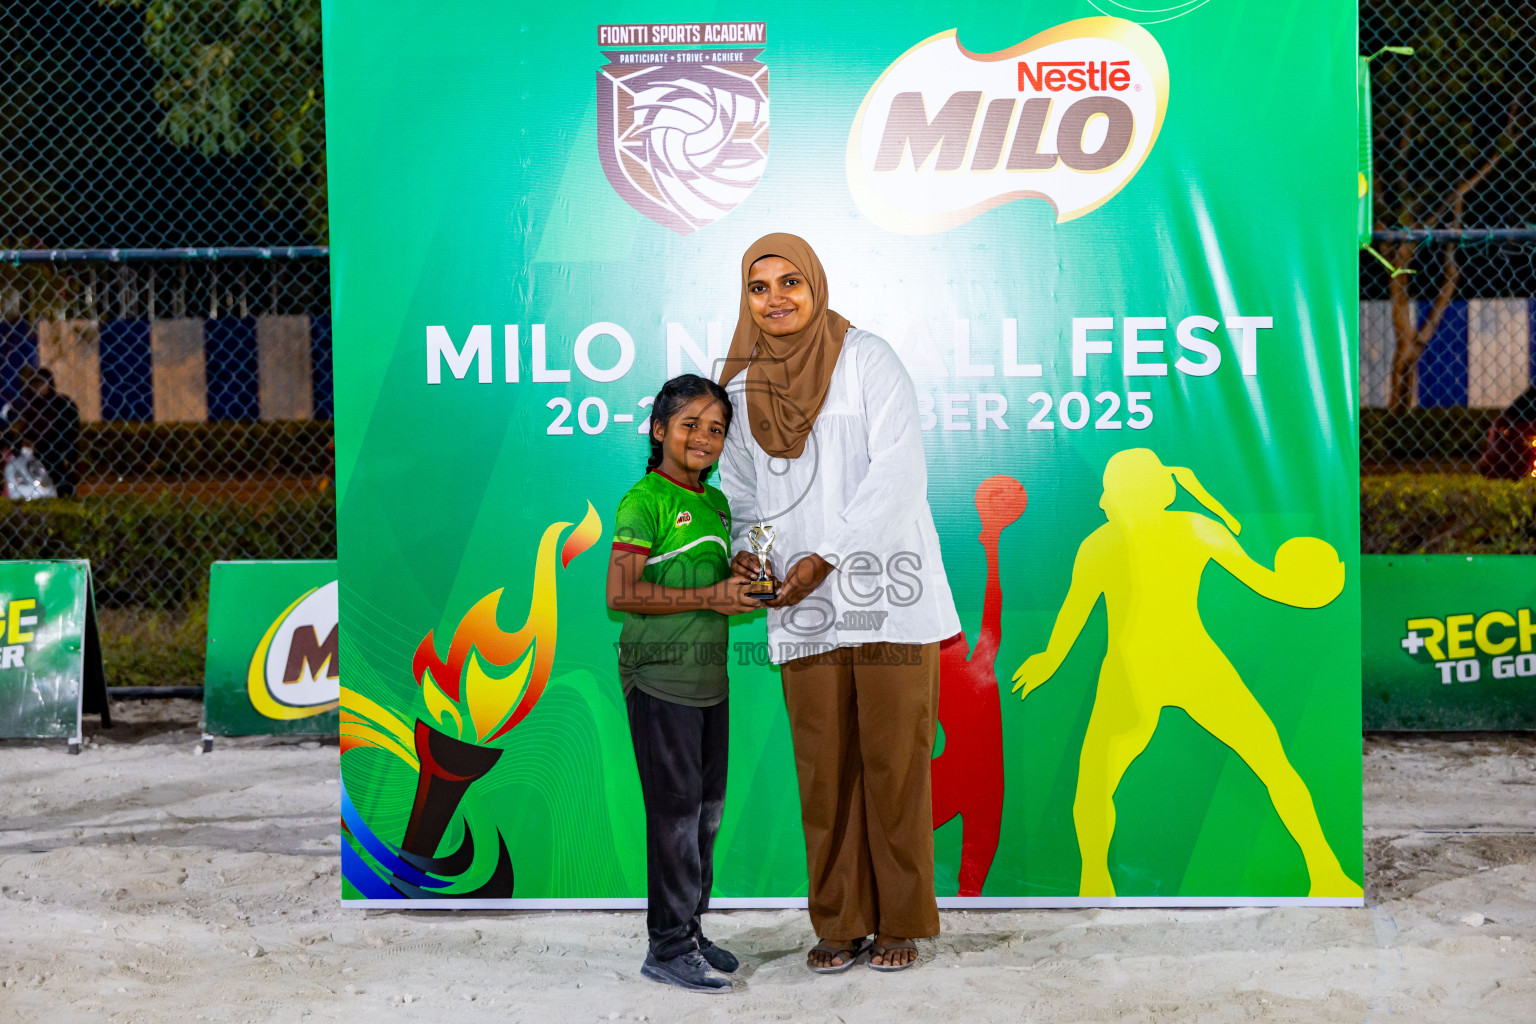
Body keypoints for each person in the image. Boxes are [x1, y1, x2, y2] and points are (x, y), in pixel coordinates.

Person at [717, 234, 960, 973]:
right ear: (746, 299)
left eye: (792, 281)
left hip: (888, 595)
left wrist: (827, 555)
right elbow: (742, 491)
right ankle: (839, 921)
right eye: (760, 287)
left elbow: (899, 474)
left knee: (895, 763)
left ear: (816, 285)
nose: (777, 297)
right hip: (801, 603)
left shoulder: (868, 359)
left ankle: (900, 923)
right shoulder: (738, 388)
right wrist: (752, 551)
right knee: (824, 770)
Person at [1012, 447, 1362, 898]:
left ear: (1124, 494)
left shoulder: (1115, 541)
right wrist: (1317, 585)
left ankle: (1094, 883)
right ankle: (1325, 871)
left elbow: (1072, 616)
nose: (1102, 501)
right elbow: (1271, 584)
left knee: (1097, 781)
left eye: (1110, 491)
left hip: (1145, 668)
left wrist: (1051, 658)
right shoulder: (1188, 528)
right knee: (1268, 762)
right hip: (1176, 666)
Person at [606, 373, 760, 993]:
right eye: (690, 424)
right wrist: (711, 593)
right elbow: (622, 592)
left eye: (716, 428)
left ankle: (690, 931)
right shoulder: (642, 501)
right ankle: (666, 948)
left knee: (705, 817)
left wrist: (741, 572)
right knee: (673, 818)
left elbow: (712, 586)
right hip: (660, 680)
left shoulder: (717, 503)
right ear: (659, 430)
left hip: (709, 683)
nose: (703, 437)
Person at [10, 367, 81, 497]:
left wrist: (70, 458)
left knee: (62, 485)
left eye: (42, 383)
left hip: (56, 452)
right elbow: (23, 432)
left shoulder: (62, 404)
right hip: (34, 455)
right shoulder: (28, 406)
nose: (38, 388)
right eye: (34, 384)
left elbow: (71, 433)